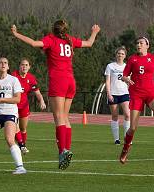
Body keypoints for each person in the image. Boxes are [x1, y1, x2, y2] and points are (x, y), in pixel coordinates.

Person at [11, 20, 101, 170]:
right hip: (70, 80)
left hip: (58, 80)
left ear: (53, 29)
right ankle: (66, 149)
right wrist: (94, 32)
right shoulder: (70, 40)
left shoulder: (51, 39)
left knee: (58, 117)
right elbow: (89, 43)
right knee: (65, 117)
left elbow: (34, 43)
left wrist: (16, 34)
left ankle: (62, 151)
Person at [119, 37, 154, 164]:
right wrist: (126, 79)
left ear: (147, 45)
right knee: (132, 127)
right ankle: (125, 149)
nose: (138, 45)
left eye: (141, 43)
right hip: (136, 94)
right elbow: (123, 75)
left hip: (151, 93)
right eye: (137, 43)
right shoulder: (132, 59)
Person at [12, 58, 46, 154]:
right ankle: (21, 146)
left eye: (26, 65)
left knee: (23, 128)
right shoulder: (13, 76)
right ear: (19, 66)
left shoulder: (31, 78)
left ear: (29, 67)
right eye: (22, 65)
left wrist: (42, 101)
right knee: (14, 126)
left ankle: (22, 145)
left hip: (24, 106)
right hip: (13, 106)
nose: (24, 67)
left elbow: (37, 93)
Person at [104, 46, 130, 145]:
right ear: (116, 55)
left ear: (125, 56)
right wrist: (109, 93)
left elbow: (129, 80)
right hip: (113, 94)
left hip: (124, 93)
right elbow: (107, 81)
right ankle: (116, 139)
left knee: (127, 114)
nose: (120, 55)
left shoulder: (127, 66)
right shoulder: (110, 66)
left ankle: (127, 138)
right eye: (119, 53)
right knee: (115, 115)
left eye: (122, 54)